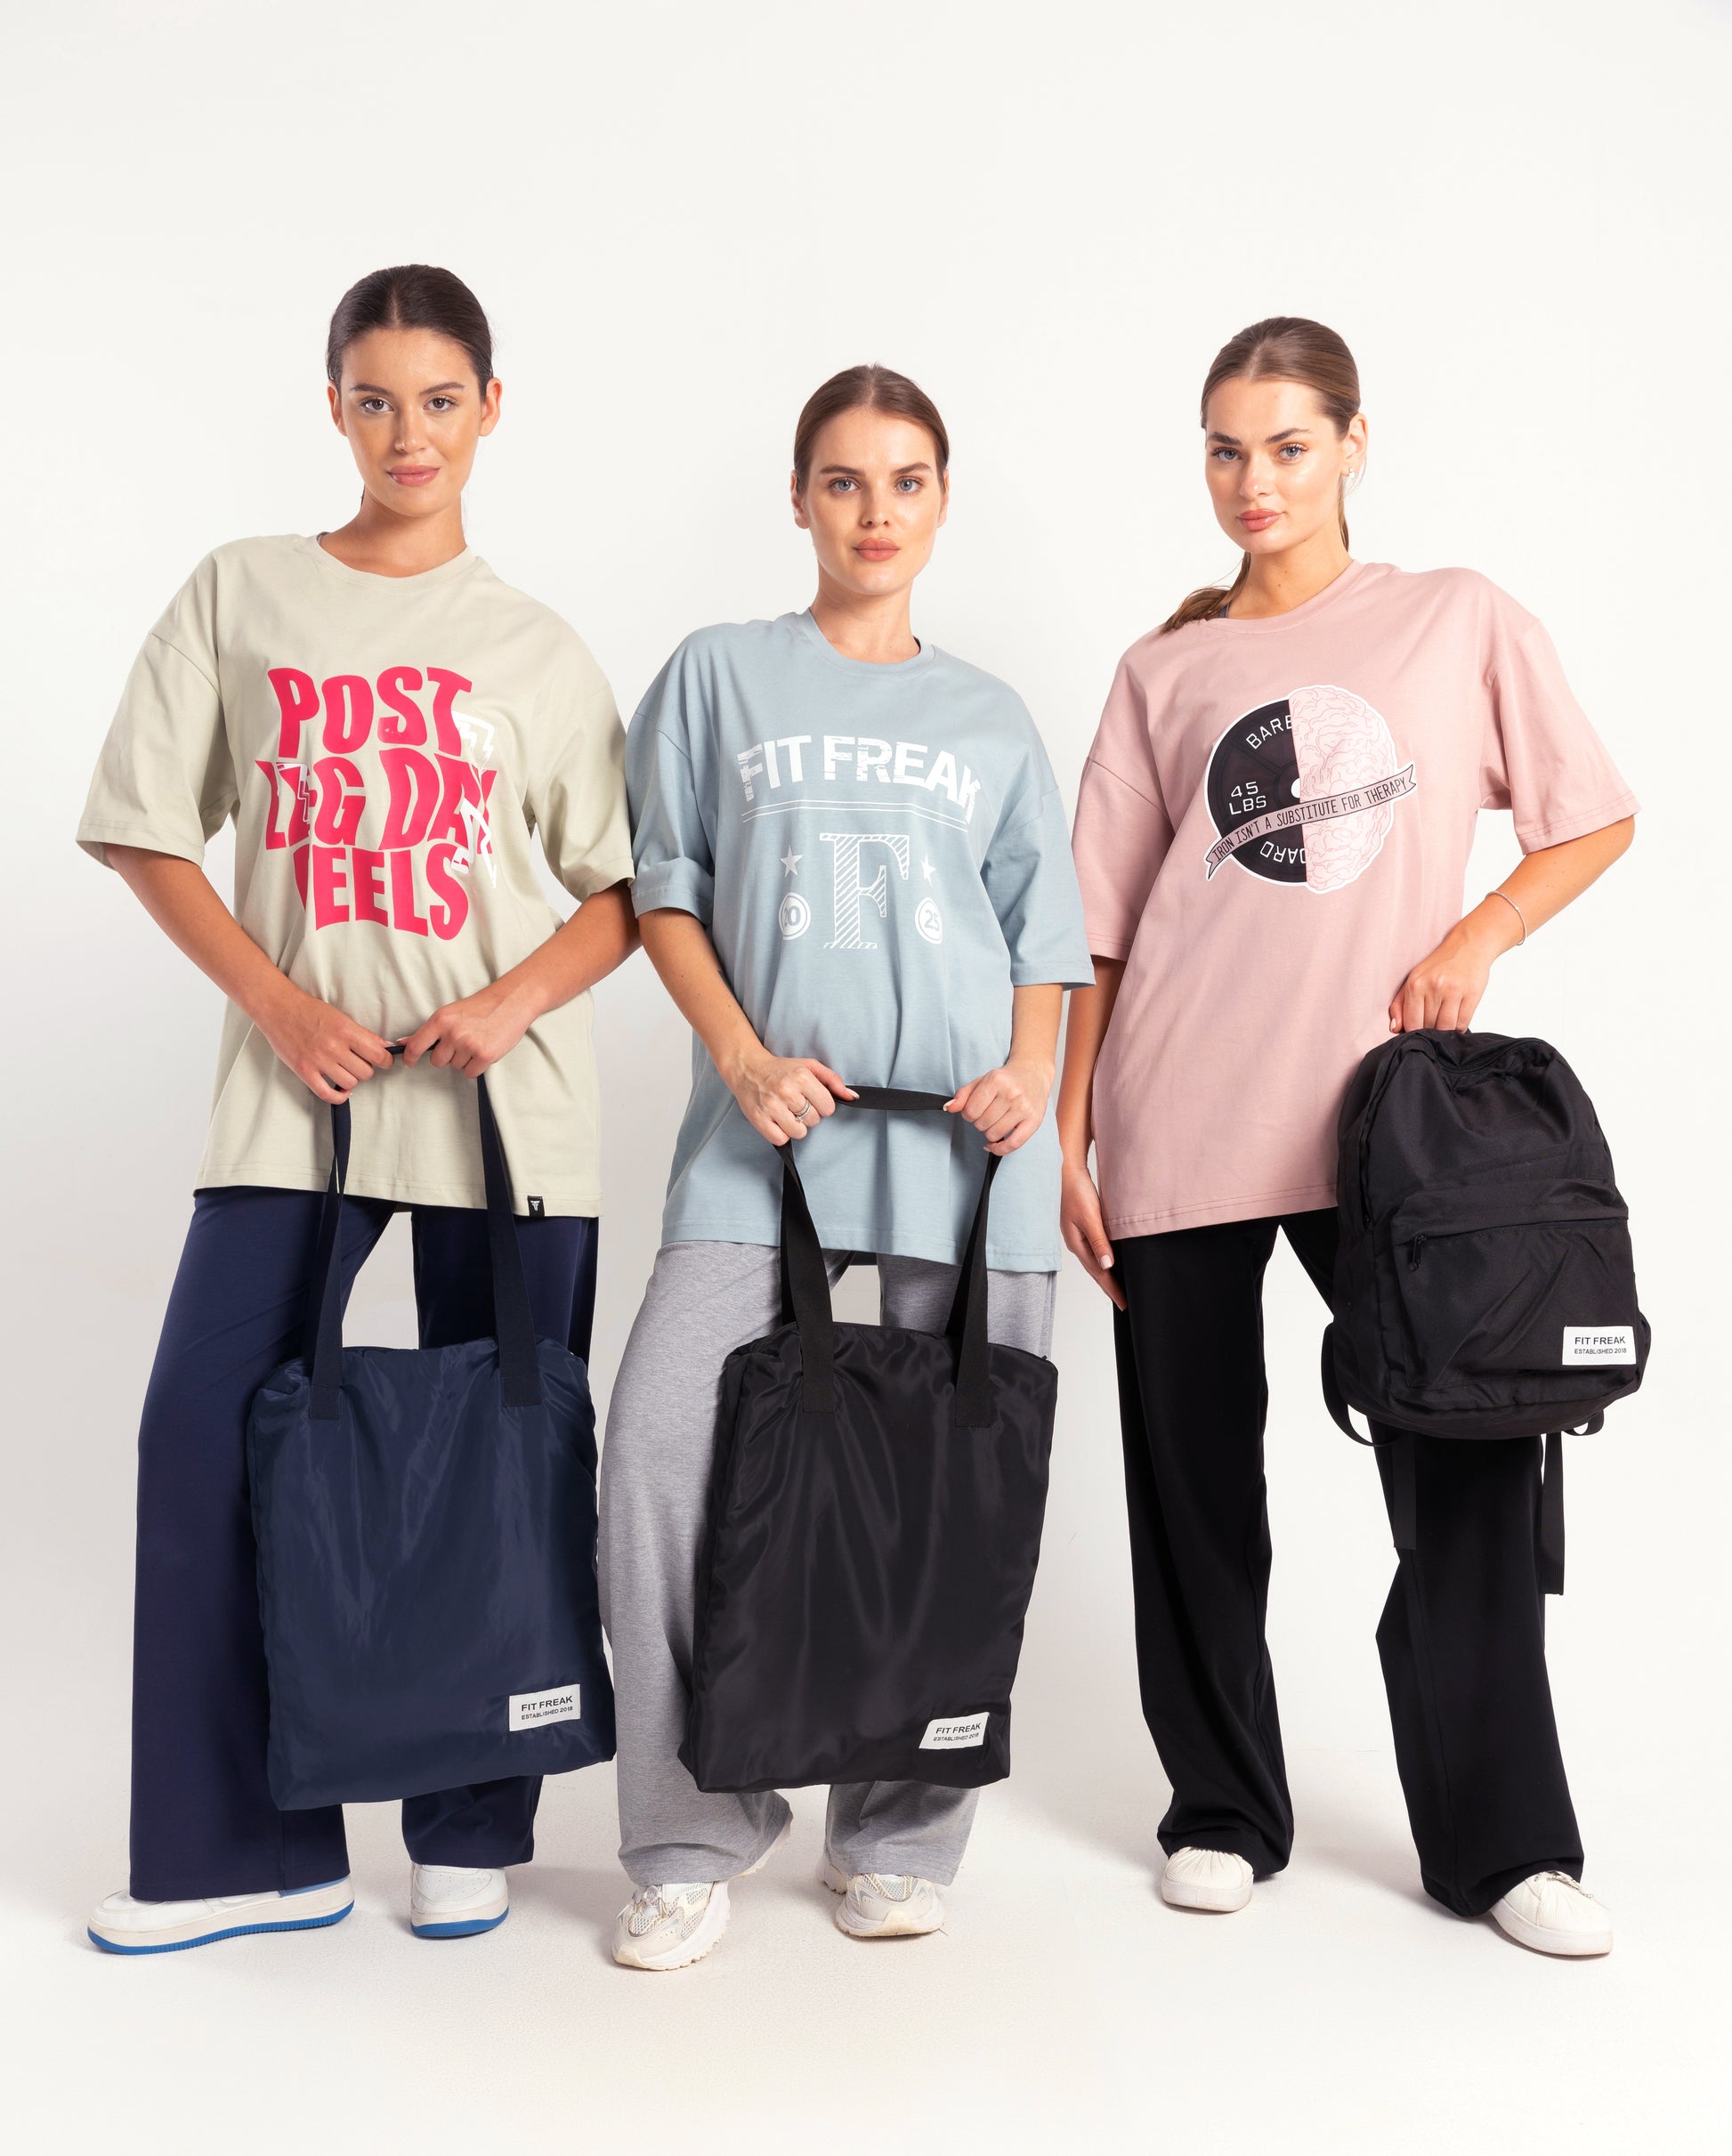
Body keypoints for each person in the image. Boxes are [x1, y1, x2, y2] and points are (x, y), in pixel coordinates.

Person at [1058, 317, 1638, 1957]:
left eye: (1287, 446)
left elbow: (1593, 812)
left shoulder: (1452, 617)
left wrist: (1476, 937)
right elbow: (1102, 935)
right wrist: (1069, 1134)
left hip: (1395, 1131)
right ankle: (1220, 1810)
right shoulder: (1160, 671)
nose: (1254, 480)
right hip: (1177, 1111)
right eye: (1225, 450)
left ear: (1352, 443)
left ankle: (1503, 1845)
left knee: (1467, 1463)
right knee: (1192, 1482)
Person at [77, 264, 637, 1954]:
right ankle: (255, 1854)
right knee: (199, 1435)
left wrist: (507, 1003)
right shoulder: (242, 592)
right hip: (294, 1098)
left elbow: (621, 892)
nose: (410, 433)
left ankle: (470, 1826)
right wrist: (279, 1003)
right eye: (376, 400)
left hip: (502, 1114)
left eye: (440, 400)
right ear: (333, 406)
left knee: (502, 1467)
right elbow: (146, 828)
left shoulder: (535, 646)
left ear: (489, 410)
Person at [601, 364, 1093, 1969]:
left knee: (949, 1490)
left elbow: (1044, 934)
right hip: (768, 1145)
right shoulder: (718, 675)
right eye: (842, 481)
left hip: (970, 1151)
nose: (875, 513)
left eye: (904, 482)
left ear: (940, 503)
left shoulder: (990, 716)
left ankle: (895, 1832)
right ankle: (687, 1834)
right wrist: (742, 1054)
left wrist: (1031, 1075)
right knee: (657, 1460)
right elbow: (663, 887)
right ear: (799, 498)